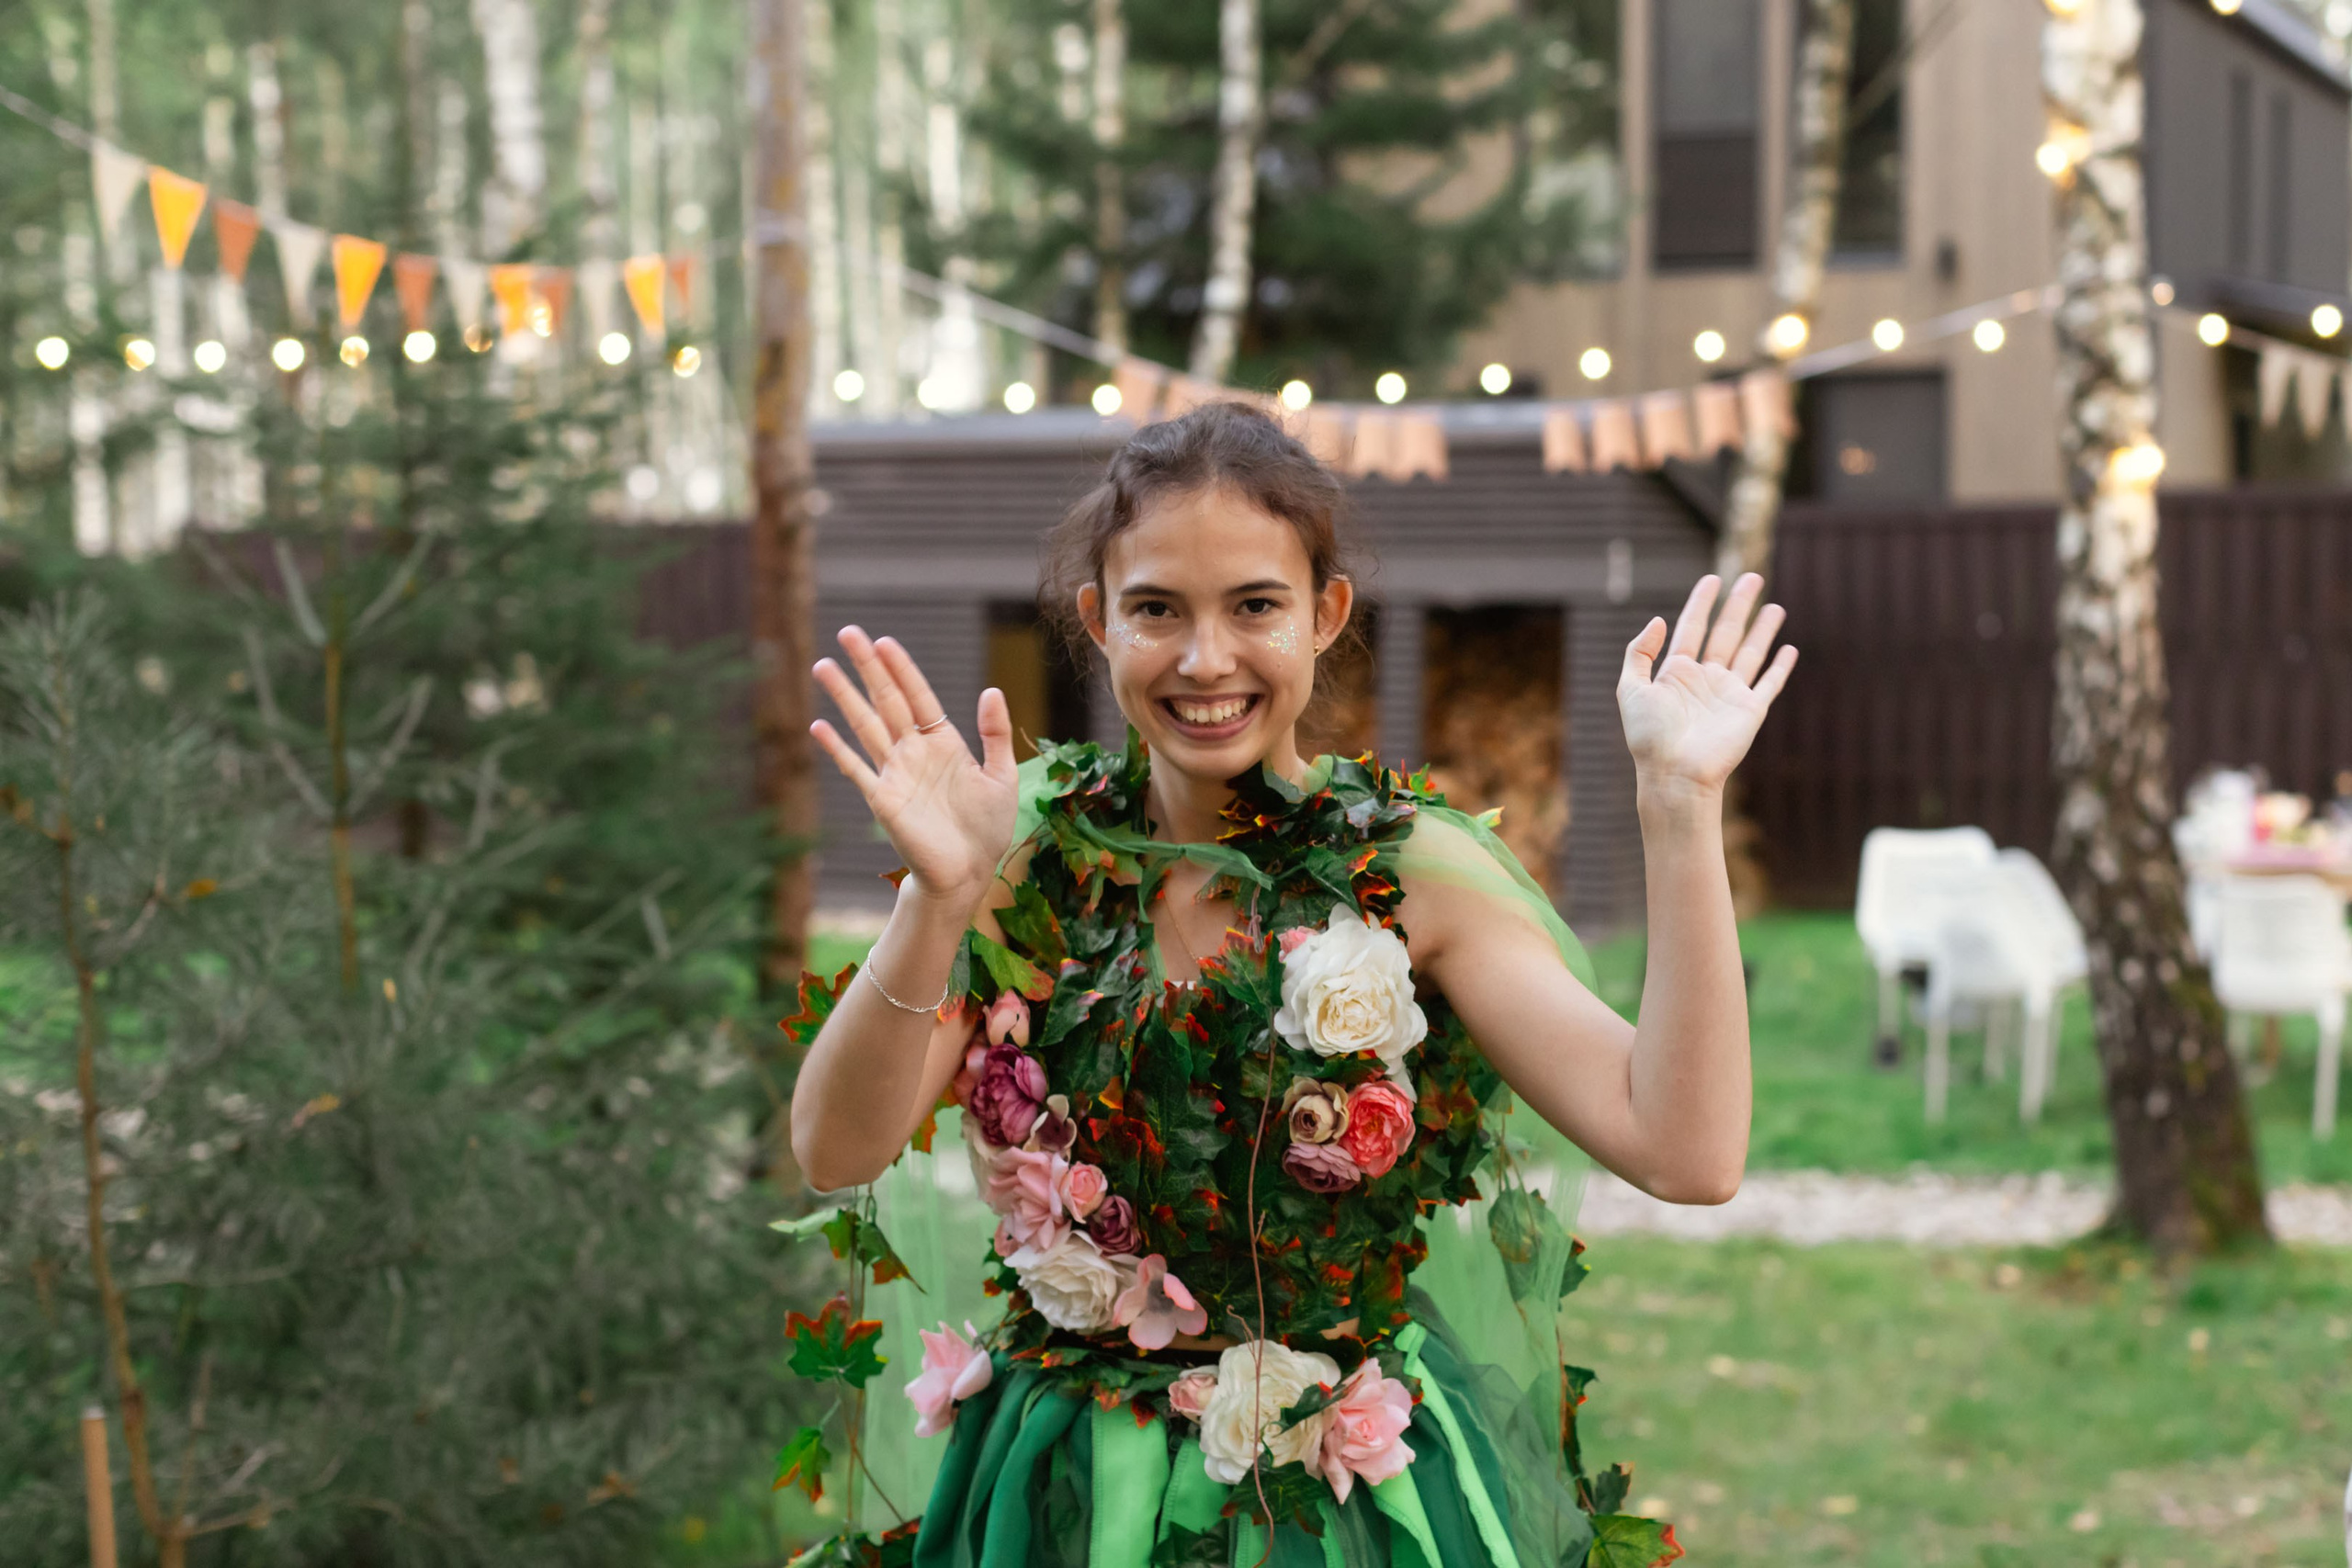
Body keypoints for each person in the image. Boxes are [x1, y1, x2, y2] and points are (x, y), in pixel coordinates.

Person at [788, 401, 1795, 1567]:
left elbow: (1687, 1154)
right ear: (1097, 621)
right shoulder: (1014, 855)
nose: (1204, 659)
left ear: (1325, 615)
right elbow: (835, 1150)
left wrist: (1679, 802)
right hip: (1064, 1495)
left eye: (1254, 606)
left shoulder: (1409, 874)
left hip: (1331, 1504)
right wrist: (937, 899)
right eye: (1156, 609)